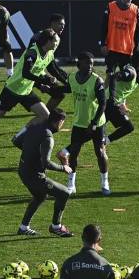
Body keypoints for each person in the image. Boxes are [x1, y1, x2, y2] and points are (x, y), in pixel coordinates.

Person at [0, 25, 68, 149]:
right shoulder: (32, 52)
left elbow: (49, 70)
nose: (57, 44)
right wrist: (45, 79)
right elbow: (26, 73)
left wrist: (61, 81)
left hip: (26, 91)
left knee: (44, 115)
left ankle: (19, 137)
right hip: (12, 90)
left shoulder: (49, 54)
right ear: (48, 41)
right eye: (55, 41)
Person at [13, 107, 74, 237]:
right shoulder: (48, 137)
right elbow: (46, 163)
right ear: (59, 121)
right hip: (34, 176)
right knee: (64, 193)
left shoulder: (34, 126)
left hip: (23, 170)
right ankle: (56, 226)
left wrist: (30, 153)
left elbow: (16, 141)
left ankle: (23, 227)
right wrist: (64, 168)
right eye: (63, 122)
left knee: (40, 196)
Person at [61, 52, 109, 195]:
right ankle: (71, 184)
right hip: (79, 123)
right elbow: (67, 89)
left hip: (97, 123)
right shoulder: (72, 78)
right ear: (79, 64)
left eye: (92, 63)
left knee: (100, 153)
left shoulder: (97, 81)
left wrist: (94, 123)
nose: (90, 66)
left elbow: (103, 104)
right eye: (87, 63)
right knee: (74, 154)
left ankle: (105, 181)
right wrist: (50, 88)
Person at [100, 0, 139, 75]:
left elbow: (138, 31)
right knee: (110, 74)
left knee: (126, 76)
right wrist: (103, 44)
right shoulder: (110, 7)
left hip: (127, 50)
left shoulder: (136, 10)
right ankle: (105, 89)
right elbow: (104, 27)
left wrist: (136, 48)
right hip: (112, 48)